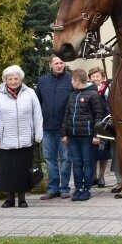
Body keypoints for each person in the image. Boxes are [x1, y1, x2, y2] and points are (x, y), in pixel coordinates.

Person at [0, 65, 44, 208]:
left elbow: (37, 114)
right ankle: (9, 198)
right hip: (6, 140)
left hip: (26, 139)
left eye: (16, 78)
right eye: (10, 78)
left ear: (21, 79)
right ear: (5, 80)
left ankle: (23, 198)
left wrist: (38, 134)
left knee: (23, 170)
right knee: (8, 171)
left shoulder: (30, 93)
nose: (13, 81)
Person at [61, 69, 104, 201]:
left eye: (72, 80)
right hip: (73, 135)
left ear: (77, 81)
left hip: (87, 135)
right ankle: (78, 188)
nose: (71, 82)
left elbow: (99, 115)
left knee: (87, 162)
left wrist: (97, 135)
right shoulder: (72, 95)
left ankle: (86, 189)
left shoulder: (93, 94)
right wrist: (64, 133)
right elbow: (67, 114)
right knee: (77, 162)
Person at [35, 54, 73, 200]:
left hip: (64, 128)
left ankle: (64, 188)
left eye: (61, 63)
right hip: (46, 126)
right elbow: (37, 104)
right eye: (56, 63)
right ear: (50, 64)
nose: (59, 65)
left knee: (65, 158)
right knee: (49, 158)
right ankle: (52, 188)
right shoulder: (42, 81)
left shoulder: (70, 80)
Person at [89, 66, 111, 188]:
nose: (95, 78)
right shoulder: (87, 89)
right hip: (91, 123)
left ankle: (102, 176)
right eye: (93, 76)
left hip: (104, 122)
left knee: (104, 152)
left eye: (97, 76)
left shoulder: (106, 89)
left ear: (102, 77)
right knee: (93, 152)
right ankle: (94, 176)